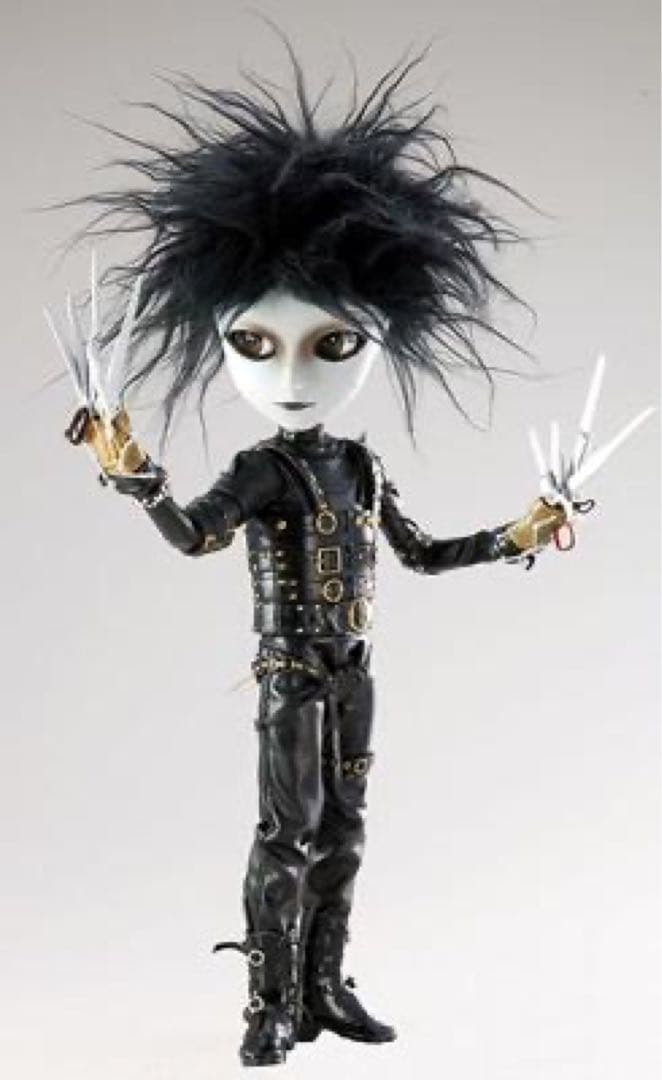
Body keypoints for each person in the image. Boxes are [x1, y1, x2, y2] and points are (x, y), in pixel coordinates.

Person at [50, 55, 574, 1067]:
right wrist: (137, 478)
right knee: (283, 837)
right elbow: (196, 536)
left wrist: (514, 534)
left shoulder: (360, 466)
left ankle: (325, 987)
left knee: (345, 833)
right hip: (290, 674)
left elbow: (418, 555)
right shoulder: (261, 470)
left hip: (353, 673)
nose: (291, 375)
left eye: (330, 345)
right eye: (257, 344)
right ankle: (269, 1004)